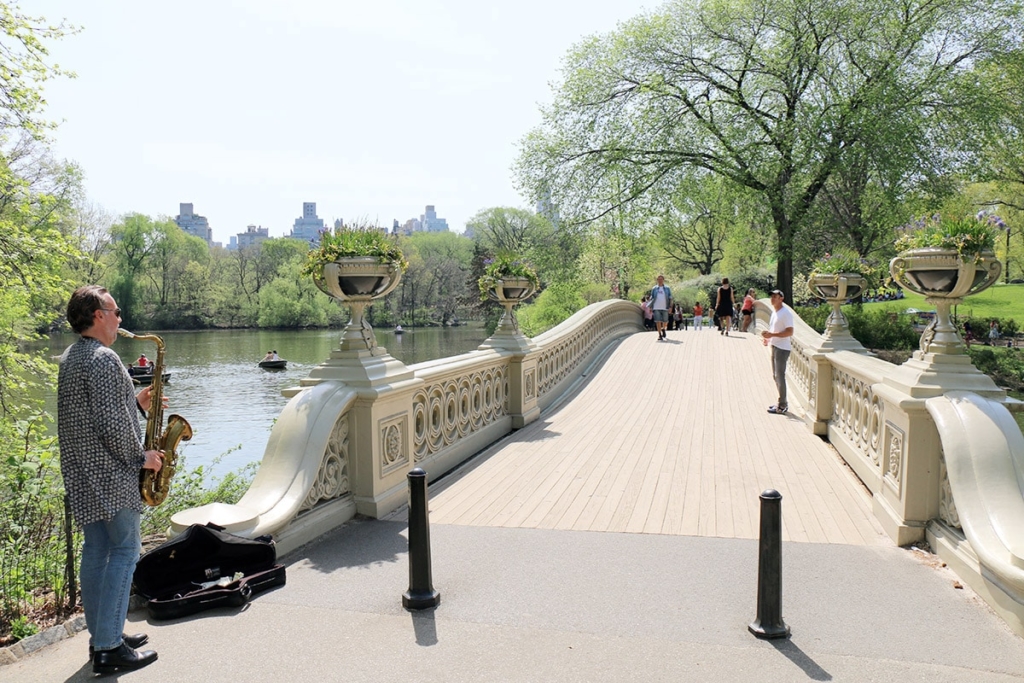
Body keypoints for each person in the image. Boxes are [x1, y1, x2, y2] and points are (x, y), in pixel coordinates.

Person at [57, 285, 163, 674]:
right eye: (115, 312)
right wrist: (143, 457)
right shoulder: (104, 359)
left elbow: (93, 417)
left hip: (83, 473)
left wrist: (136, 402)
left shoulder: (71, 356)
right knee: (125, 551)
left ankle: (105, 634)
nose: (120, 319)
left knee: (97, 553)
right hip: (112, 473)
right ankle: (108, 647)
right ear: (97, 315)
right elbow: (112, 427)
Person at [761, 289, 794, 415]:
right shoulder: (775, 312)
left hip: (782, 348)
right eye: (772, 296)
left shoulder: (786, 313)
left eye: (775, 296)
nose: (773, 298)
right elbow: (774, 328)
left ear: (782, 299)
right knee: (775, 376)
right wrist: (768, 338)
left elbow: (790, 332)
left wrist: (771, 334)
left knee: (780, 376)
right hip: (775, 346)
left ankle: (783, 405)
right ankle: (781, 402)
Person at [649, 275, 673, 341]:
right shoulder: (654, 288)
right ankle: (659, 334)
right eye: (659, 279)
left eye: (661, 279)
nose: (660, 280)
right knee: (658, 321)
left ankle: (663, 329)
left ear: (663, 280)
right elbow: (652, 298)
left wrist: (670, 307)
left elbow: (670, 298)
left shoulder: (667, 288)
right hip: (656, 307)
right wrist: (650, 307)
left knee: (665, 321)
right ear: (657, 280)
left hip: (665, 307)